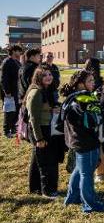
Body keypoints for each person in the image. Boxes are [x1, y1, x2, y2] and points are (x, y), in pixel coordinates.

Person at [62, 70, 104, 213]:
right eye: (89, 81)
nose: (93, 83)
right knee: (87, 174)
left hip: (76, 140)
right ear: (80, 84)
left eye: (93, 80)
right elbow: (91, 120)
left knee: (79, 170)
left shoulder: (71, 98)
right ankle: (89, 204)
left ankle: (72, 197)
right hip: (87, 141)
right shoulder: (84, 98)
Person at [25, 66, 60, 198]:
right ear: (38, 77)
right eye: (44, 75)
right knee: (46, 161)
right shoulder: (36, 92)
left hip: (46, 127)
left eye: (50, 74)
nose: (48, 77)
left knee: (37, 159)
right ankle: (47, 190)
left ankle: (35, 187)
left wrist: (53, 109)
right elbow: (33, 118)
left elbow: (45, 109)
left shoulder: (46, 90)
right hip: (40, 130)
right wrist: (39, 138)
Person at [1, 45, 23, 137]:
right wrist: (7, 92)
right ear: (14, 51)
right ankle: (6, 131)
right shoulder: (7, 62)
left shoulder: (17, 62)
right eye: (19, 51)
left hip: (17, 91)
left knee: (16, 110)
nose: (20, 53)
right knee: (9, 111)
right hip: (10, 92)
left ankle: (13, 128)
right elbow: (4, 79)